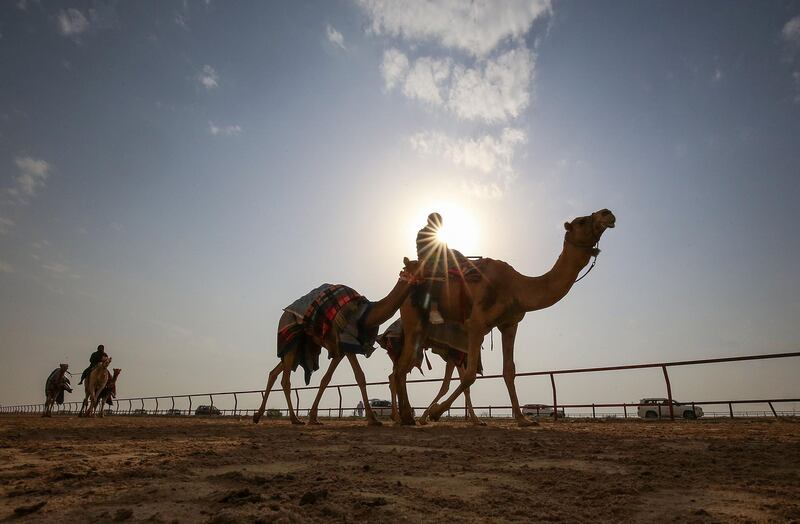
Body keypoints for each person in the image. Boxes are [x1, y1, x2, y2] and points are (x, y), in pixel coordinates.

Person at [416, 212, 446, 324]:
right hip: (428, 262)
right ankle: (434, 309)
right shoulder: (423, 233)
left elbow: (444, 251)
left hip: (441, 261)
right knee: (438, 275)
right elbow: (423, 251)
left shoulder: (439, 236)